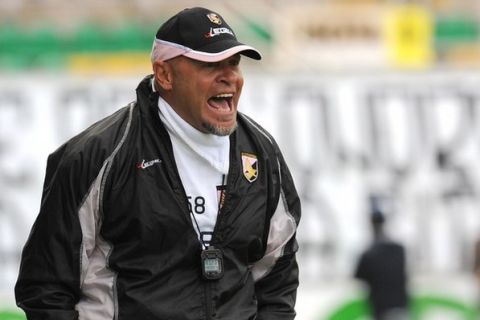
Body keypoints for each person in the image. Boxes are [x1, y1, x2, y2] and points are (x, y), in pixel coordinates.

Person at [15, 7, 301, 320]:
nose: (229, 77)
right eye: (210, 65)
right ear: (165, 74)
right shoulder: (98, 154)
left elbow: (278, 275)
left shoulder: (261, 151)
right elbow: (45, 288)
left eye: (233, 63)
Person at [354, 199, 410, 320]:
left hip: (381, 309)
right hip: (401, 307)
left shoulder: (369, 254)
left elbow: (357, 275)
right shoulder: (399, 250)